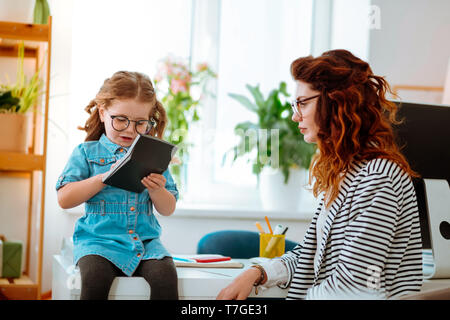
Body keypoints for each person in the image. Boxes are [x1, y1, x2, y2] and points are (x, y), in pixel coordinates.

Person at [217, 49, 423, 300]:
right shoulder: (345, 172)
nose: (295, 115)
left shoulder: (378, 177)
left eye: (302, 103)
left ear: (336, 102)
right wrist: (258, 273)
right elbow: (311, 256)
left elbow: (352, 287)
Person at [56, 71, 179, 300]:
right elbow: (64, 199)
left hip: (145, 244)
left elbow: (168, 208)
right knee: (94, 279)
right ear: (103, 113)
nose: (130, 130)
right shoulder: (86, 153)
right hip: (97, 242)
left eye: (141, 123)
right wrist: (102, 178)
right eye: (121, 119)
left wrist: (156, 190)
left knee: (166, 278)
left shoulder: (152, 156)